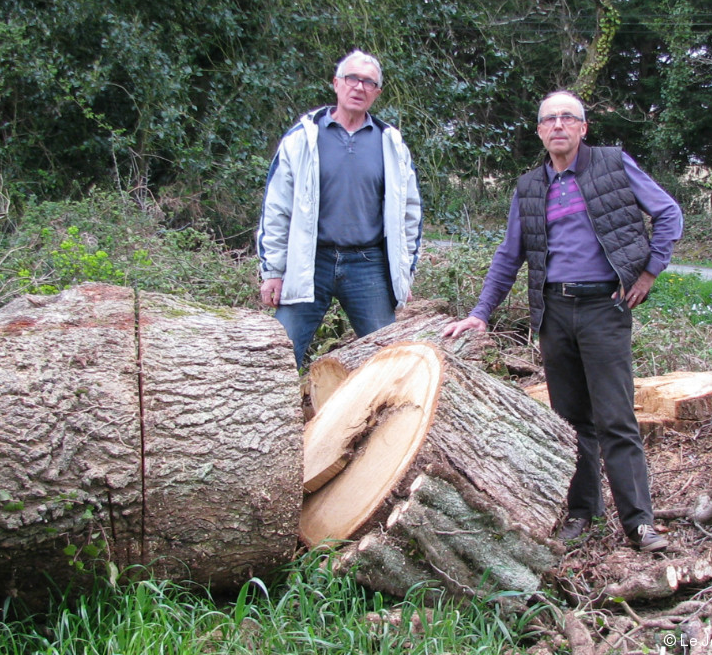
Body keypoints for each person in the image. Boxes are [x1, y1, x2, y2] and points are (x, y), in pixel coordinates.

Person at [443, 90, 682, 552]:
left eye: (568, 118)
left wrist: (650, 271)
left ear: (583, 128)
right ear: (539, 132)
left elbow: (668, 213)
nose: (558, 126)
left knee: (615, 418)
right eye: (549, 120)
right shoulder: (530, 186)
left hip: (604, 309)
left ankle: (639, 523)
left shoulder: (612, 164)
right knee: (571, 421)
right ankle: (581, 512)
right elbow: (509, 255)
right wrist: (480, 313)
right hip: (553, 312)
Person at [257, 50, 422, 368]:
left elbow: (410, 212)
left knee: (389, 363)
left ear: (377, 92)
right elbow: (277, 207)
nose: (359, 87)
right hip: (310, 261)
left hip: (367, 265)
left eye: (368, 82)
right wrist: (274, 272)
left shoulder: (391, 143)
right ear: (336, 83)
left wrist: (405, 272)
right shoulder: (302, 139)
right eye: (352, 79)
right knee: (280, 359)